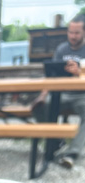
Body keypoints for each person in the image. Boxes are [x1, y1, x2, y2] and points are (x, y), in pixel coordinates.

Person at [32, 13, 85, 169]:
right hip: (60, 93)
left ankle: (72, 153)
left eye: (77, 33)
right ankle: (56, 140)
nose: (73, 36)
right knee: (40, 107)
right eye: (70, 32)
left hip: (82, 95)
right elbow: (51, 76)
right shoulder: (62, 49)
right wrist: (42, 95)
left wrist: (79, 72)